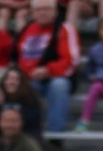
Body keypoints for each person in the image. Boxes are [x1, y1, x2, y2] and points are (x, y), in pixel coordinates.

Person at [13, 0, 72, 132]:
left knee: (59, 85)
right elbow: (16, 56)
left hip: (53, 77)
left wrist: (48, 70)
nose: (43, 13)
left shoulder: (63, 29)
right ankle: (28, 133)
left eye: (46, 9)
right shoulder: (26, 29)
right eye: (39, 10)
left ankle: (55, 134)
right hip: (28, 77)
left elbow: (70, 61)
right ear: (32, 12)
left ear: (55, 11)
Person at [0, 63, 40, 148]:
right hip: (0, 144)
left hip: (25, 143)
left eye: (16, 79)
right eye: (8, 79)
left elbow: (31, 125)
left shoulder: (31, 98)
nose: (11, 82)